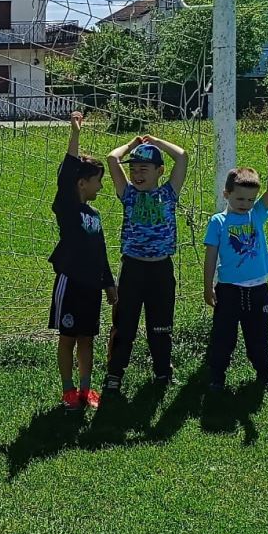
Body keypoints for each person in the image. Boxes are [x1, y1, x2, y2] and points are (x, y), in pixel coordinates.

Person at [100, 132, 189, 396]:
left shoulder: (168, 193)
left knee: (160, 326)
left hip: (161, 270)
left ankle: (163, 372)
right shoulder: (128, 194)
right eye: (134, 169)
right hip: (133, 269)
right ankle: (114, 374)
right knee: (124, 325)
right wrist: (133, 145)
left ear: (160, 171)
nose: (137, 174)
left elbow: (182, 156)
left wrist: (157, 142)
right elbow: (112, 158)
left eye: (144, 169)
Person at [48, 111, 117, 411]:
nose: (100, 187)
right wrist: (75, 133)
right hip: (71, 284)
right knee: (68, 338)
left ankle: (86, 390)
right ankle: (68, 391)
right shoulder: (67, 207)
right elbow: (66, 175)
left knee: (87, 339)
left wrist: (109, 284)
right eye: (97, 181)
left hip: (91, 288)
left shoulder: (95, 216)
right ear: (81, 183)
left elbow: (101, 253)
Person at [202, 139, 268, 393]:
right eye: (239, 198)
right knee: (223, 336)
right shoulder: (218, 222)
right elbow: (211, 256)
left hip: (258, 289)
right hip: (229, 290)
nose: (245, 204)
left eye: (250, 199)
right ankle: (217, 377)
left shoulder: (256, 214)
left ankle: (265, 376)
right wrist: (207, 286)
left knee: (259, 337)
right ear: (226, 194)